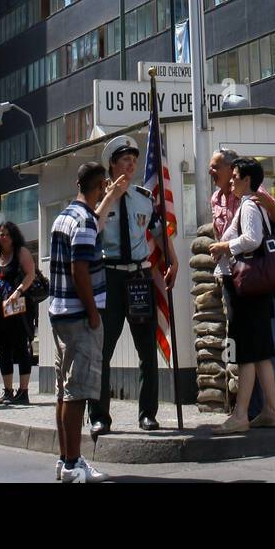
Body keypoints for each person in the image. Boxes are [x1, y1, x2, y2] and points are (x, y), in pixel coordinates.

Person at [87, 134, 178, 437]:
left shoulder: (143, 197)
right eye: (125, 160)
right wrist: (110, 196)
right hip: (110, 276)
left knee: (146, 351)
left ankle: (147, 415)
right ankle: (100, 416)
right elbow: (92, 228)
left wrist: (173, 259)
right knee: (103, 349)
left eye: (134, 160)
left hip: (139, 277)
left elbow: (158, 231)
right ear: (112, 164)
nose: (131, 164)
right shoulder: (100, 198)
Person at [48, 160, 123, 484]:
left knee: (64, 391)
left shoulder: (64, 216)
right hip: (80, 315)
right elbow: (81, 270)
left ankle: (67, 460)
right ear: (99, 185)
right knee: (77, 392)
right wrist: (94, 312)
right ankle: (74, 464)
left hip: (60, 312)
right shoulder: (85, 221)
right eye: (105, 186)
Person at [209, 156, 275, 434]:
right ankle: (270, 410)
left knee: (247, 352)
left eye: (235, 175)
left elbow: (252, 239)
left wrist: (225, 245)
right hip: (258, 286)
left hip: (245, 285)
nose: (231, 179)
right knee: (262, 351)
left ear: (247, 179)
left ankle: (240, 416)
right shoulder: (253, 204)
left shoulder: (249, 205)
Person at [0, 221, 36, 406]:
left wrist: (18, 291)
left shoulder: (21, 252)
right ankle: (7, 391)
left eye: (6, 234)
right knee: (3, 349)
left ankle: (23, 392)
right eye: (0, 234)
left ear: (13, 236)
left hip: (18, 307)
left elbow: (31, 274)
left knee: (21, 348)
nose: (2, 237)